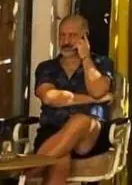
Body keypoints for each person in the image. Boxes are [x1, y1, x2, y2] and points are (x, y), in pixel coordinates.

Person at [32, 15, 115, 185]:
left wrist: (86, 58)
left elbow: (98, 89)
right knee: (61, 158)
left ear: (85, 36)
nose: (65, 41)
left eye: (72, 35)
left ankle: (23, 174)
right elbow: (49, 97)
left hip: (90, 137)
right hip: (52, 131)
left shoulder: (101, 63)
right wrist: (93, 100)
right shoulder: (46, 67)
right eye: (62, 35)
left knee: (80, 121)